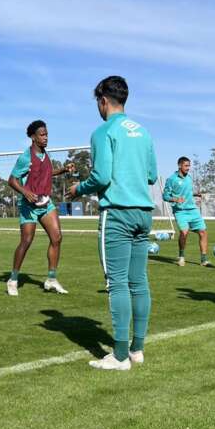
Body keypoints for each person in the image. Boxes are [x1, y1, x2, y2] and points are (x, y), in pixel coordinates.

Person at [68, 76, 157, 370]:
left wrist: (78, 188)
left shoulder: (103, 131)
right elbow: (152, 176)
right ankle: (137, 349)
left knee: (116, 282)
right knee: (139, 281)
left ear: (103, 101)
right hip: (144, 213)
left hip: (117, 213)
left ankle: (119, 356)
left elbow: (102, 177)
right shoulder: (143, 132)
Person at [6, 120, 74, 296]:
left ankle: (51, 279)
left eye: (47, 134)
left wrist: (64, 170)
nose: (45, 138)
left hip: (46, 203)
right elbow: (12, 180)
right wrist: (25, 192)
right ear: (33, 137)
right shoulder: (25, 157)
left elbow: (47, 173)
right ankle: (13, 279)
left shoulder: (46, 155)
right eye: (42, 135)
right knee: (26, 241)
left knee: (57, 237)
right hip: (29, 206)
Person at [162, 156, 209, 266]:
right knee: (184, 232)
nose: (188, 168)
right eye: (186, 166)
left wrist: (196, 194)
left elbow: (186, 192)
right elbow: (165, 196)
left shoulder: (189, 178)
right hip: (180, 211)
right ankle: (181, 257)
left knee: (203, 232)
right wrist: (175, 199)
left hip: (193, 210)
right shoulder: (171, 179)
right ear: (179, 165)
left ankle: (203, 260)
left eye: (189, 166)